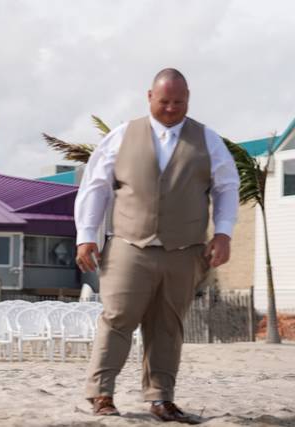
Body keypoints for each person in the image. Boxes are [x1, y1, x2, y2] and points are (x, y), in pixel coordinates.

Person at [74, 68, 239, 423]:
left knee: (168, 325)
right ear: (149, 96)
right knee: (117, 318)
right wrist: (86, 235)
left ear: (188, 98)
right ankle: (101, 393)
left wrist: (223, 233)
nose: (171, 108)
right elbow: (95, 187)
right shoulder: (121, 136)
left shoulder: (207, 140)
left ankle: (161, 397)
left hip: (185, 250)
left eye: (179, 102)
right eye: (164, 101)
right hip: (128, 246)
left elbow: (227, 187)